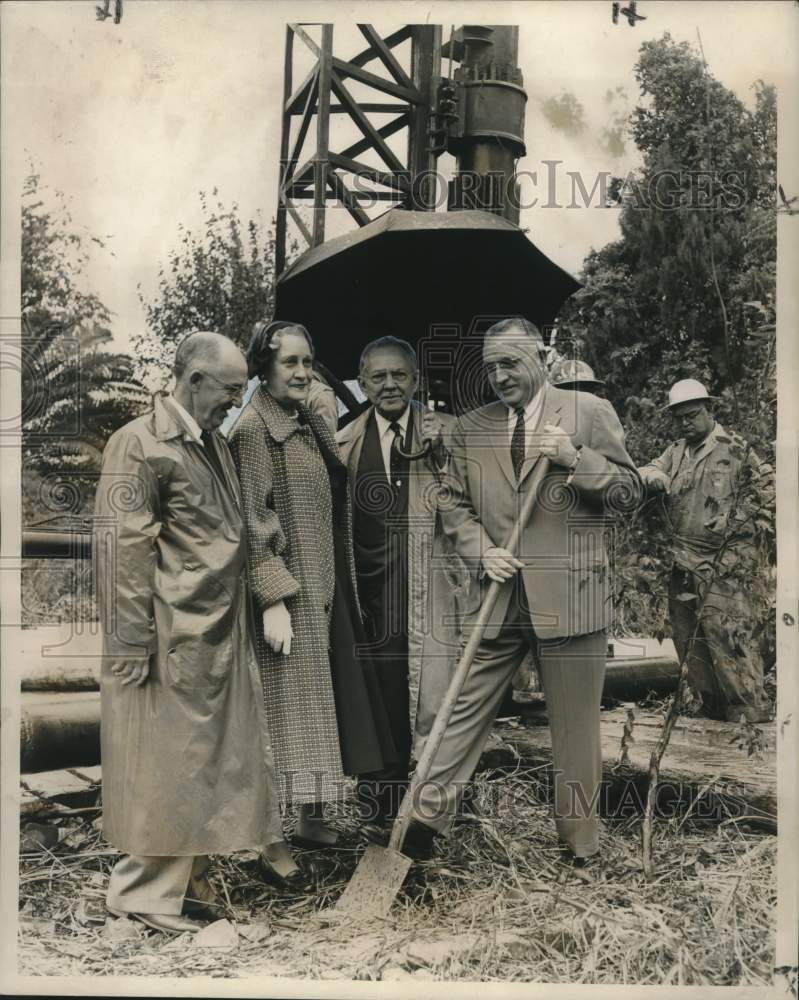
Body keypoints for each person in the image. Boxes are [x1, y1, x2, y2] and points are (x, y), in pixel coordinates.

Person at [401, 317, 640, 863]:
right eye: (490, 367)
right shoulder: (472, 427)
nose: (500, 375)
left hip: (571, 596)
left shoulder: (586, 413)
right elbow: (451, 502)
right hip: (498, 595)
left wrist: (575, 460)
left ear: (543, 355)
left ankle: (580, 847)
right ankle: (422, 824)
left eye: (510, 362)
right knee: (462, 708)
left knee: (574, 730)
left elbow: (629, 495)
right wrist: (482, 549)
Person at [95, 331, 283, 934]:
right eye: (230, 389)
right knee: (165, 761)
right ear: (194, 380)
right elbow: (122, 548)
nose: (236, 399)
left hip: (213, 627)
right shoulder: (138, 443)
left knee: (205, 759)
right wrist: (129, 643)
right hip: (169, 631)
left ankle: (185, 884)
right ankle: (143, 892)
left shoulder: (208, 442)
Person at [228, 320, 396, 885]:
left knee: (314, 710)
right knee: (282, 716)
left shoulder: (303, 423)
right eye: (290, 363)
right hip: (288, 595)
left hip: (322, 586)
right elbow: (252, 519)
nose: (302, 372)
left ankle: (312, 820)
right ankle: (271, 847)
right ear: (264, 367)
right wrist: (272, 596)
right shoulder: (254, 430)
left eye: (309, 361)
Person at [336, 336, 466, 831]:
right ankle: (378, 808)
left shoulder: (450, 434)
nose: (389, 384)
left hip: (432, 587)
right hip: (370, 592)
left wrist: (441, 455)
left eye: (399, 375)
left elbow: (469, 507)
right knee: (378, 697)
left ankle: (431, 818)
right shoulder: (344, 440)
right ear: (363, 383)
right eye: (377, 376)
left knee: (436, 698)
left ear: (415, 380)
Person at [638, 379, 772, 723]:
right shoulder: (676, 451)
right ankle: (709, 710)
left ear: (709, 410)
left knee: (727, 636)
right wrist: (653, 475)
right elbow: (645, 469)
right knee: (689, 639)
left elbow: (768, 492)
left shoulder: (735, 447)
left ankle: (747, 714)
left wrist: (735, 519)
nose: (686, 422)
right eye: (679, 417)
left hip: (725, 561)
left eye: (693, 415)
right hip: (682, 560)